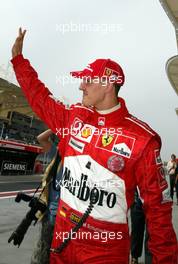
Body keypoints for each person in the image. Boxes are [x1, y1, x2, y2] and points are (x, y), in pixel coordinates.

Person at [10, 28, 177, 264]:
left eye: (87, 80)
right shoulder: (74, 118)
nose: (80, 86)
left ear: (109, 84)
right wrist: (18, 62)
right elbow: (40, 98)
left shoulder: (142, 140)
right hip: (61, 244)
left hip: (104, 254)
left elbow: (159, 215)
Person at [31, 129, 63, 264]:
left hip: (64, 218)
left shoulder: (82, 161)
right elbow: (41, 138)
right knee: (43, 252)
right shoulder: (57, 154)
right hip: (49, 213)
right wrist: (57, 125)